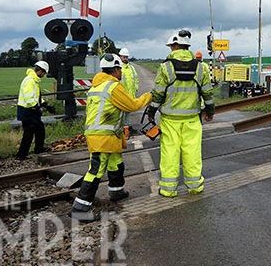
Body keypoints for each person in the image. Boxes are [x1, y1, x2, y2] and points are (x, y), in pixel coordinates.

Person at [71, 54, 151, 221]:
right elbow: (132, 105)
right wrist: (149, 96)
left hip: (104, 135)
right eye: (120, 69)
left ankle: (116, 191)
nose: (121, 72)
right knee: (96, 170)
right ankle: (80, 209)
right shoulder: (113, 87)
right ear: (115, 70)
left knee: (116, 163)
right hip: (102, 136)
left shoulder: (95, 86)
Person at [150, 30, 215, 197]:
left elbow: (158, 93)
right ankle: (194, 187)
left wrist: (151, 111)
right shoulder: (201, 68)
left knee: (170, 153)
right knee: (192, 153)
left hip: (170, 120)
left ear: (175, 45)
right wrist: (210, 111)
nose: (171, 49)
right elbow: (207, 93)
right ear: (188, 47)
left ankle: (168, 189)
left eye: (172, 46)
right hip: (192, 119)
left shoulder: (165, 67)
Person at [16, 60, 50, 159]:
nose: (43, 75)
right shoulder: (30, 81)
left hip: (31, 110)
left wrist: (45, 104)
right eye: (44, 73)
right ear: (41, 71)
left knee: (40, 129)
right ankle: (21, 155)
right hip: (27, 111)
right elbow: (29, 98)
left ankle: (38, 149)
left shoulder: (34, 80)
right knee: (28, 133)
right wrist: (37, 107)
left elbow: (36, 96)